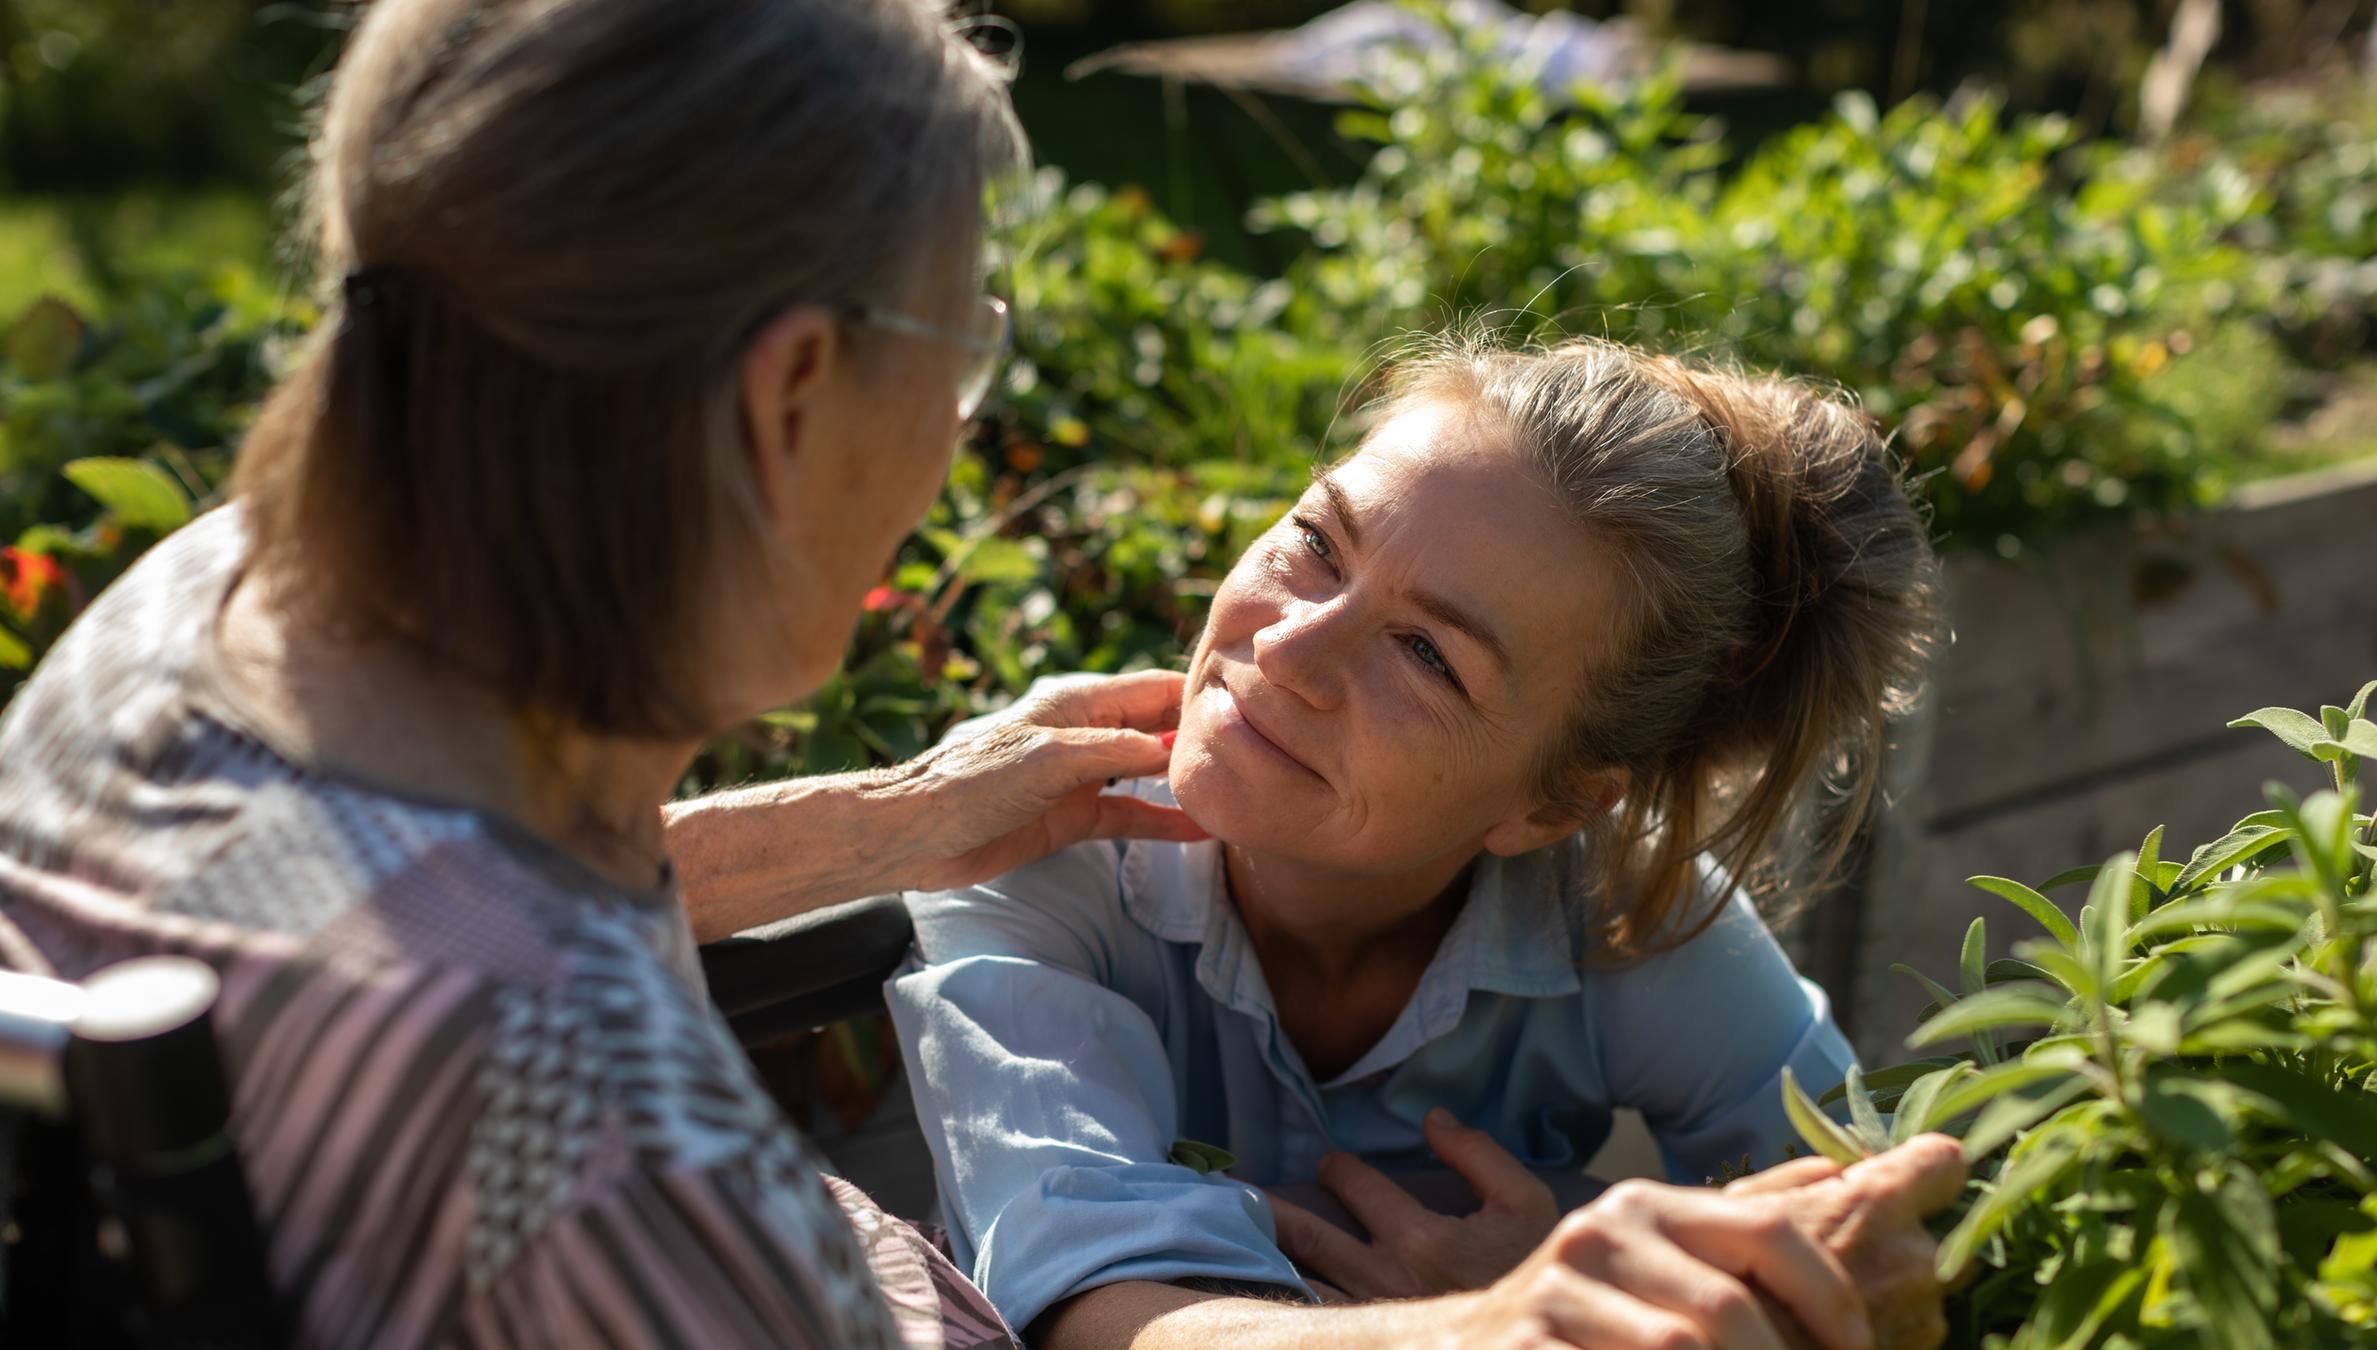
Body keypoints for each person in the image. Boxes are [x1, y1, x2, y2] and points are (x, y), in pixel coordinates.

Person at [0, 0, 1962, 1345]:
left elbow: (474, 887)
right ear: (792, 397)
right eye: (964, 340)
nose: (957, 431)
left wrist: (882, 822)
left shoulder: (215, 614)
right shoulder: (587, 1124)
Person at [890, 333, 1955, 1350]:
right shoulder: (1029, 824)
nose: (1287, 647)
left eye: (1428, 656)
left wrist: (1567, 1271)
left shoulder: (1618, 903)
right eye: (1317, 543)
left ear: (1553, 809)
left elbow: (1882, 1215)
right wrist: (1503, 1319)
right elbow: (1086, 1311)